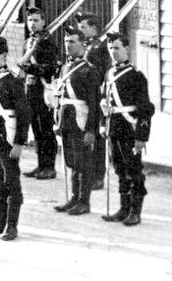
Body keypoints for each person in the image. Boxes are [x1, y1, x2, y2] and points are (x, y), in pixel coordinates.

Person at [0, 37, 31, 241]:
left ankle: (11, 226)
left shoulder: (12, 81)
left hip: (7, 136)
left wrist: (19, 142)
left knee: (11, 182)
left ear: (4, 55)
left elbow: (24, 112)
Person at [101, 33, 155, 226]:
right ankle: (123, 208)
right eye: (110, 48)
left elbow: (145, 110)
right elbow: (105, 102)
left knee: (133, 170)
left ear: (126, 49)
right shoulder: (109, 74)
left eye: (117, 47)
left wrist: (141, 137)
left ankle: (135, 211)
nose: (113, 51)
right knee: (120, 169)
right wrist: (102, 125)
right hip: (114, 128)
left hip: (129, 129)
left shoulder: (136, 77)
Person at [52, 27, 102, 216]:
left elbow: (94, 104)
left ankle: (84, 201)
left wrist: (91, 130)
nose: (68, 45)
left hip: (81, 122)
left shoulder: (89, 71)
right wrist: (57, 121)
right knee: (72, 162)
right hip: (66, 121)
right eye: (66, 42)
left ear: (82, 44)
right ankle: (74, 198)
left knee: (84, 162)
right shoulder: (65, 67)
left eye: (72, 42)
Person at [17, 7, 59, 180]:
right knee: (36, 129)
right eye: (30, 20)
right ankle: (41, 164)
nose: (32, 24)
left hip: (43, 89)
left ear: (43, 22)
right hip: (30, 89)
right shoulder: (28, 41)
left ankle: (50, 167)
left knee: (46, 129)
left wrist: (30, 68)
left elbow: (51, 68)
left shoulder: (47, 41)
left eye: (36, 20)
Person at [78, 13, 110, 190]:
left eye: (83, 27)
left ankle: (98, 176)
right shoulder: (86, 45)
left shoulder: (101, 47)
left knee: (96, 138)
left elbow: (100, 72)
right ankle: (88, 174)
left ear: (94, 28)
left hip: (96, 95)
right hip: (83, 96)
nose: (80, 30)